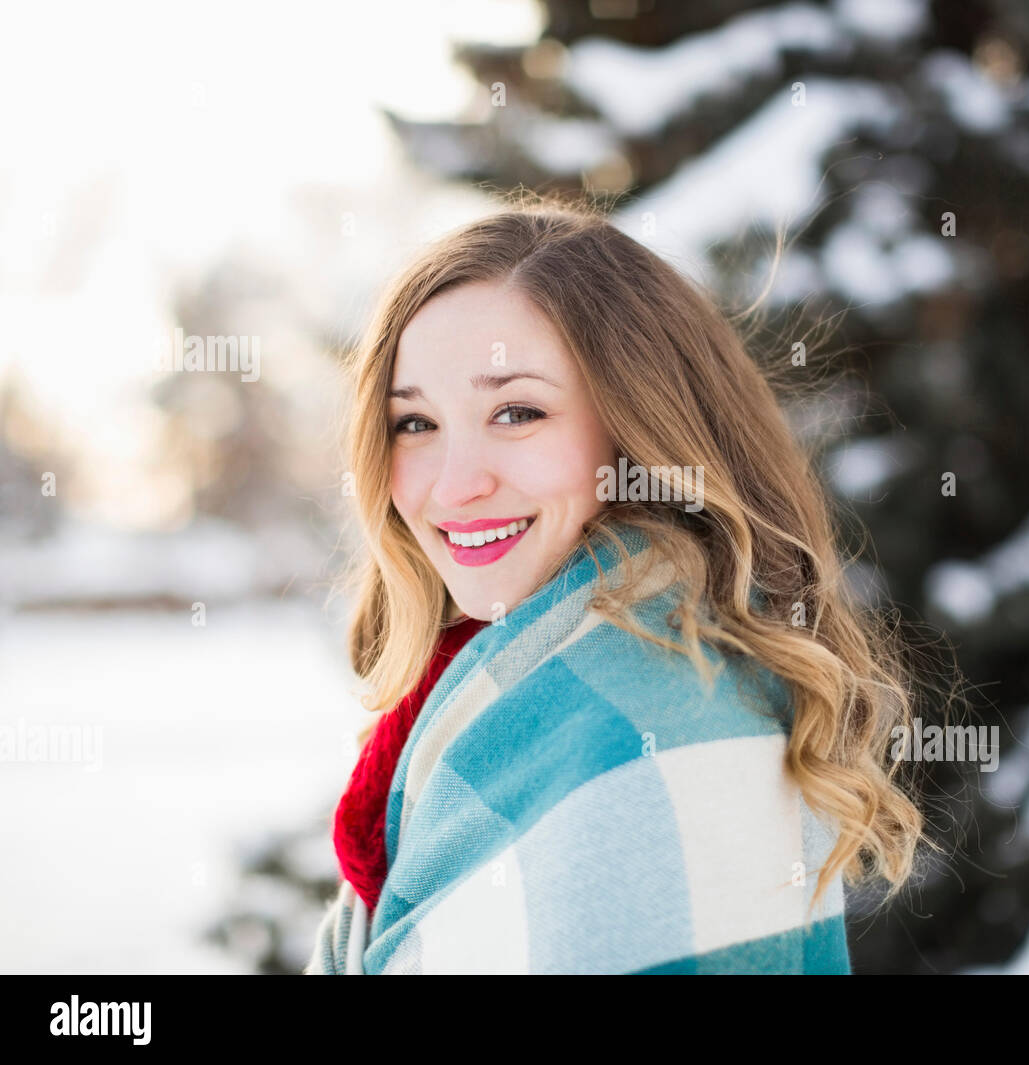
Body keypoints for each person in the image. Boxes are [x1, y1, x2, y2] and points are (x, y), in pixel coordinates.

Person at [306, 193, 929, 974]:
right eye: (416, 423)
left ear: (638, 424)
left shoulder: (654, 711)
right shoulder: (496, 678)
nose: (454, 485)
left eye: (517, 412)